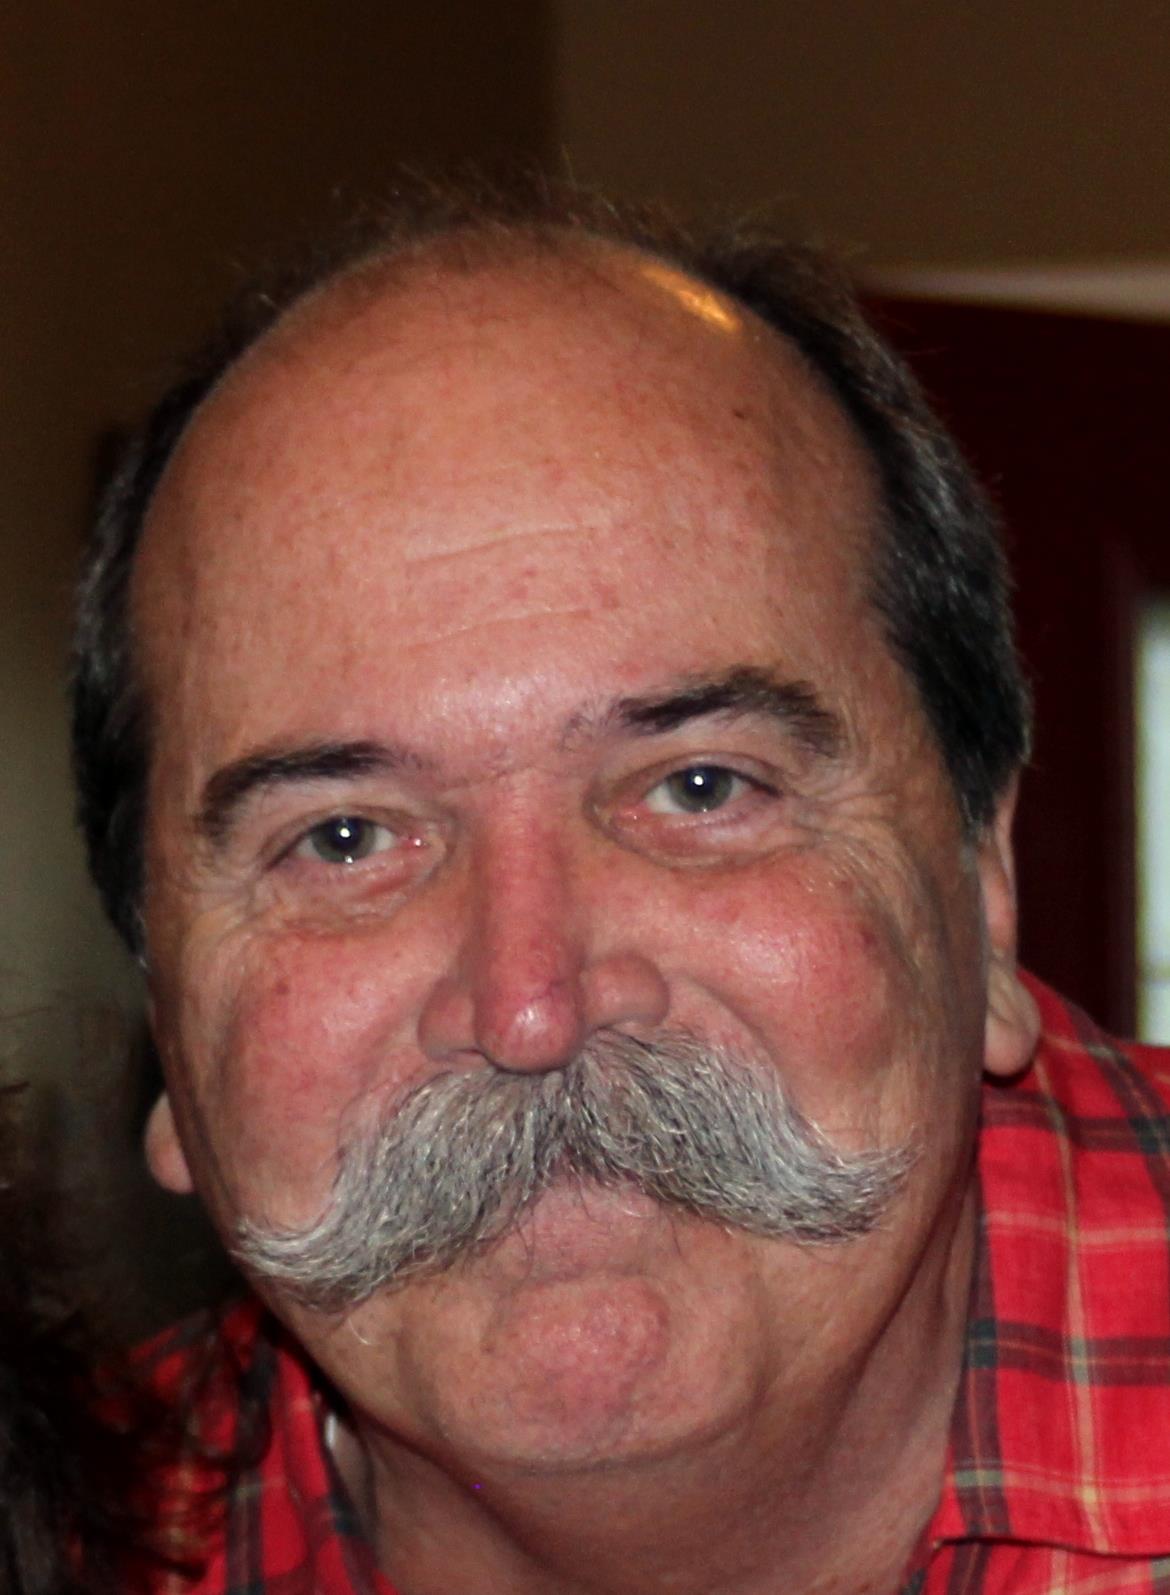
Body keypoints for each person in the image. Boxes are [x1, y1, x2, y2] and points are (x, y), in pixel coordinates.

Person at [69, 176, 1170, 1594]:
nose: (530, 1008)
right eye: (343, 839)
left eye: (700, 789)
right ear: (163, 1004)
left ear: (981, 876)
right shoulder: (73, 1535)